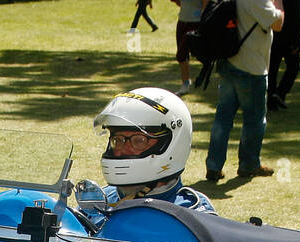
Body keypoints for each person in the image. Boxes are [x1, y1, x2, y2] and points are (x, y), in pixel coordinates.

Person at [92, 87, 216, 219]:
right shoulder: (100, 201)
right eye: (117, 140)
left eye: (139, 140)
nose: (122, 150)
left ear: (170, 144)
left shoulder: (192, 212)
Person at [203, 0, 283, 182]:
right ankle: (249, 164)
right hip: (251, 68)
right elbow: (277, 23)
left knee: (223, 118)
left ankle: (214, 166)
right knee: (254, 120)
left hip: (229, 61)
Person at [267, 0, 300, 110]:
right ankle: (280, 93)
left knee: (272, 69)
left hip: (275, 34)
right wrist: (297, 42)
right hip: (289, 37)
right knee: (294, 65)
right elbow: (297, 18)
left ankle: (271, 100)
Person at [172, 0, 204, 94]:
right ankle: (185, 83)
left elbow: (206, 6)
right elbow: (178, 2)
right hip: (182, 22)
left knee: (201, 54)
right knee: (181, 54)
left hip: (196, 23)